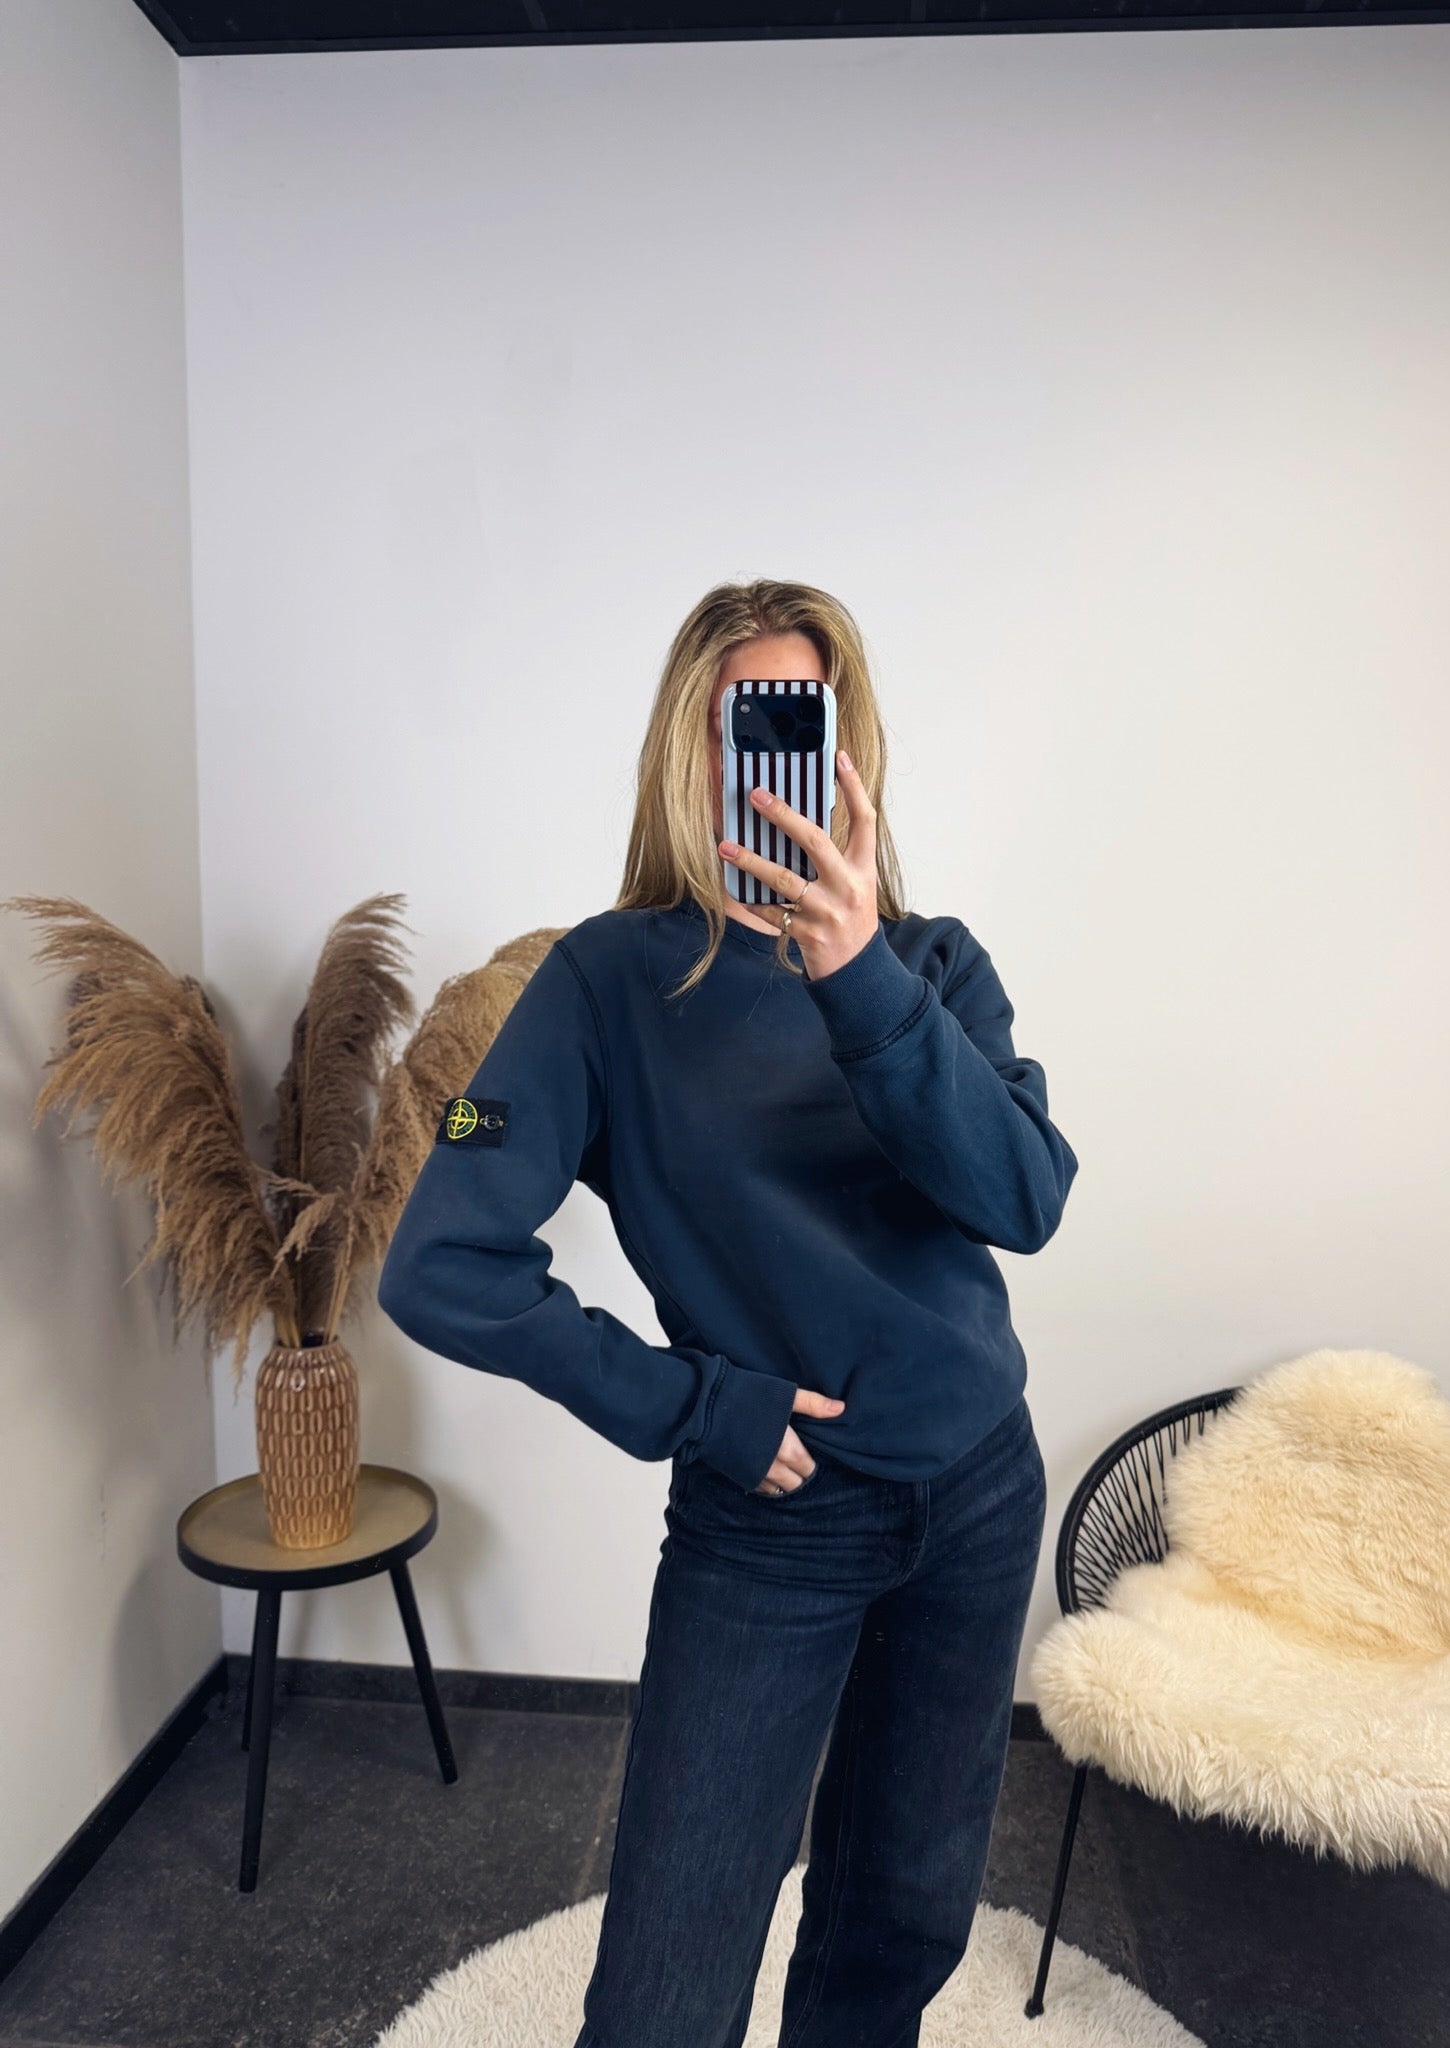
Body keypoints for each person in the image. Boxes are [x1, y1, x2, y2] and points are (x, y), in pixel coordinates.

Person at [376, 578, 1079, 2048]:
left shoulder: (932, 967)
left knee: (899, 1924)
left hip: (978, 1491)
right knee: (666, 1988)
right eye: (733, 725)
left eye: (794, 722)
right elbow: (440, 1255)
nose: (760, 763)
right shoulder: (602, 984)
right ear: (683, 753)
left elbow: (1025, 1198)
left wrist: (858, 973)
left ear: (845, 751)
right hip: (772, 1520)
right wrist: (692, 1406)